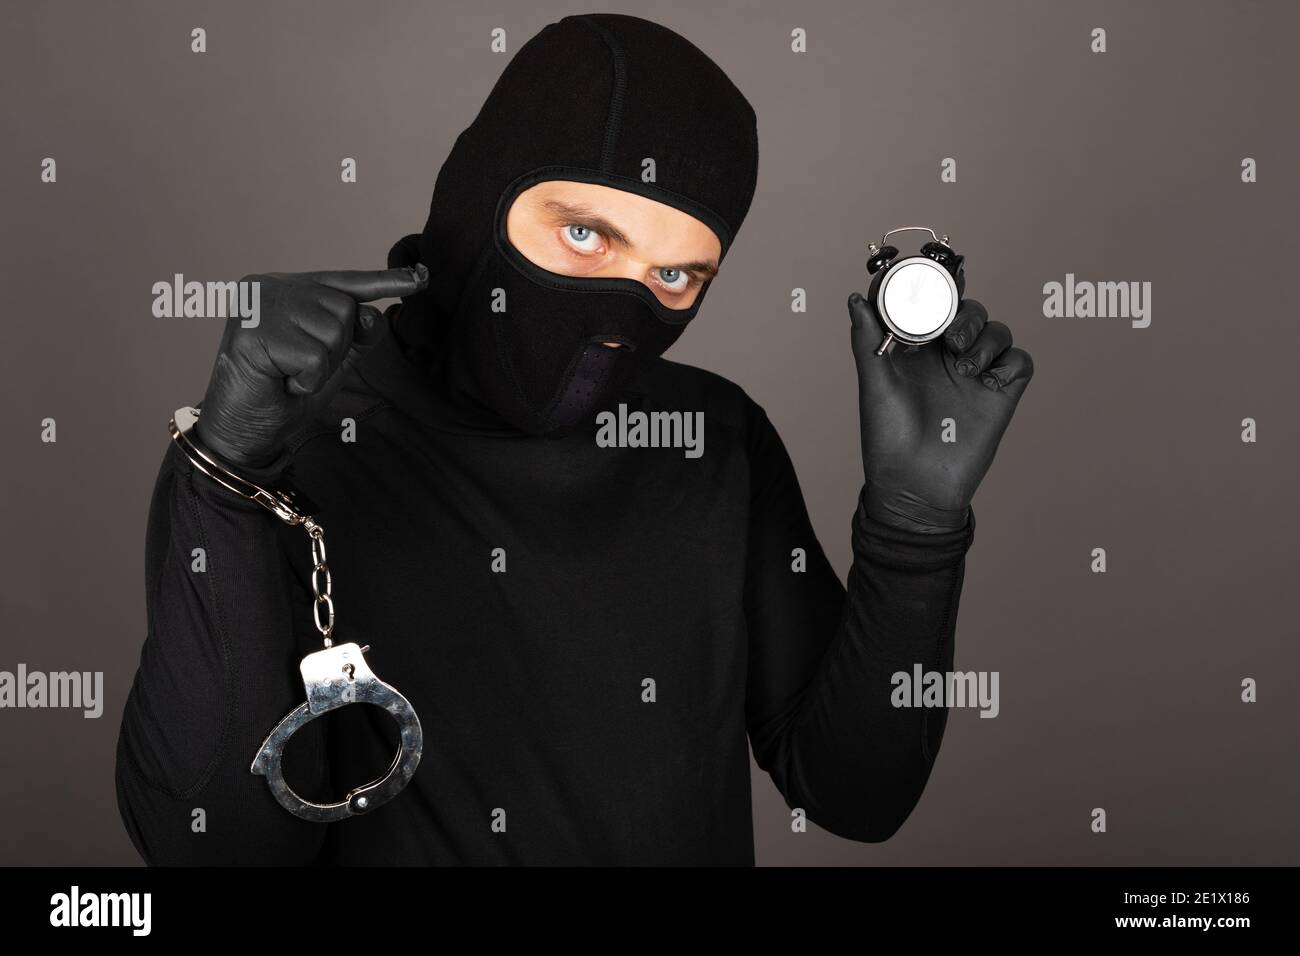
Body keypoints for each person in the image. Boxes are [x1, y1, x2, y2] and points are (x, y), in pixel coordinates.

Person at [115, 12, 1032, 866]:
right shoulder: (280, 441)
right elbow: (205, 847)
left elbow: (855, 797)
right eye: (587, 233)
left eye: (673, 273)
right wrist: (228, 472)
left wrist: (916, 525)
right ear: (479, 196)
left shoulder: (710, 441)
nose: (622, 308)